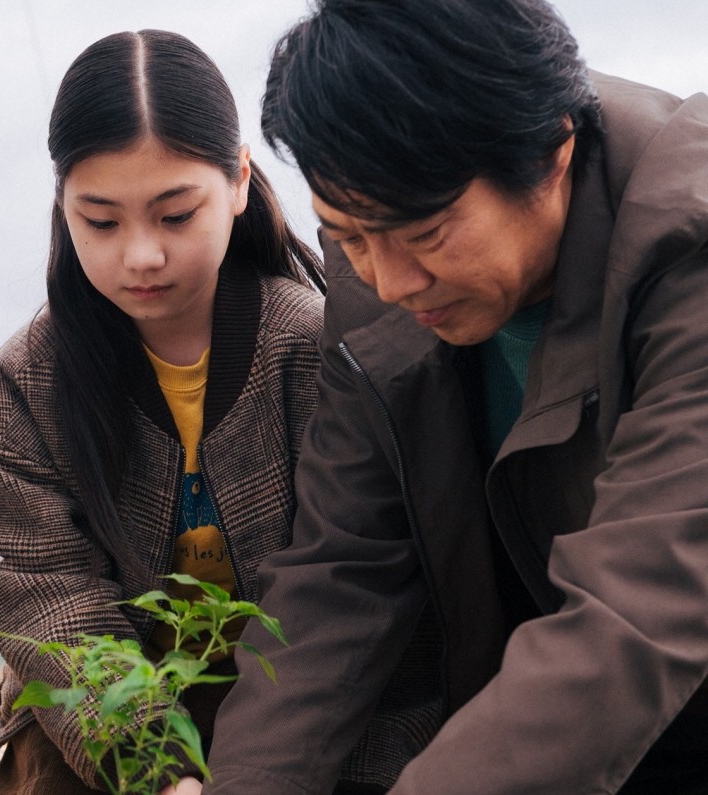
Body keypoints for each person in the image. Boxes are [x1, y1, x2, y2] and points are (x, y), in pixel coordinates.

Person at [195, 0, 708, 793]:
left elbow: (635, 613)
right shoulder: (376, 259)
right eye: (350, 234)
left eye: (427, 234)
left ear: (552, 153)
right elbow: (343, 566)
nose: (392, 281)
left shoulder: (689, 240)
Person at [0, 29, 328, 795]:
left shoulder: (316, 348)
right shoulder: (23, 387)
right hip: (104, 732)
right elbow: (50, 606)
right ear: (63, 205)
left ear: (236, 181)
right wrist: (155, 771)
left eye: (174, 214)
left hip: (307, 720)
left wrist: (255, 770)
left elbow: (343, 587)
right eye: (101, 221)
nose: (142, 256)